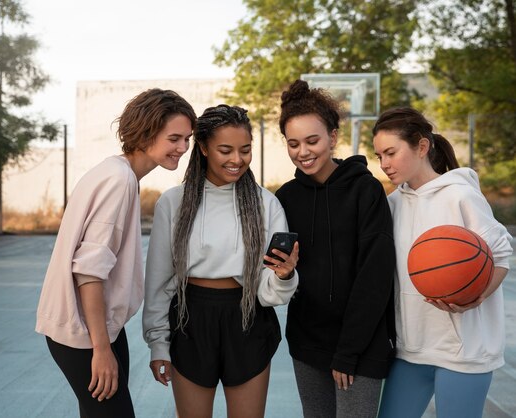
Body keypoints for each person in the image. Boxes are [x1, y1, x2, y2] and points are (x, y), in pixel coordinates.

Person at [35, 88, 196, 418]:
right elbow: (89, 271)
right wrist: (101, 349)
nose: (183, 148)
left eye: (187, 139)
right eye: (174, 138)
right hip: (83, 333)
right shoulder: (119, 180)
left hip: (94, 328)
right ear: (147, 132)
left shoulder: (116, 172)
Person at [143, 104, 299, 418]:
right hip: (191, 320)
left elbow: (269, 293)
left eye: (245, 150)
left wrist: (284, 276)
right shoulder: (173, 203)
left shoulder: (266, 204)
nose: (237, 160)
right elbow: (158, 283)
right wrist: (159, 343)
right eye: (225, 150)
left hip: (247, 318)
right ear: (202, 148)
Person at [372, 107, 513, 418]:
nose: (384, 164)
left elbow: (501, 254)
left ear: (422, 147)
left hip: (464, 352)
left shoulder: (460, 195)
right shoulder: (392, 205)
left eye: (391, 153)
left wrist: (474, 297)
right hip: (411, 350)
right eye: (379, 155)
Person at [274, 79, 396, 418]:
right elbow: (280, 276)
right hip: (308, 343)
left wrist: (348, 351)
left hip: (360, 344)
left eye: (312, 140)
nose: (303, 151)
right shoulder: (284, 199)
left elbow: (376, 276)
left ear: (333, 137)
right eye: (293, 143)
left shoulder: (365, 191)